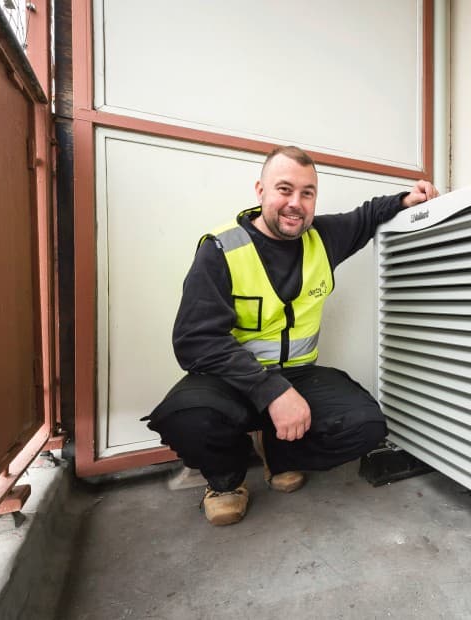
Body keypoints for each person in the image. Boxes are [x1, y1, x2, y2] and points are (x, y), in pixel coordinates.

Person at [144, 145, 439, 525]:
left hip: (298, 373)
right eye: (284, 189)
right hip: (232, 378)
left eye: (307, 193)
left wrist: (404, 199)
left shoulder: (323, 237)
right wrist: (271, 391)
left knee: (365, 426)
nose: (295, 203)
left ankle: (278, 453)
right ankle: (226, 481)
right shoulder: (222, 249)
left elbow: (366, 217)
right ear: (260, 191)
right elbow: (195, 341)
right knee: (188, 419)